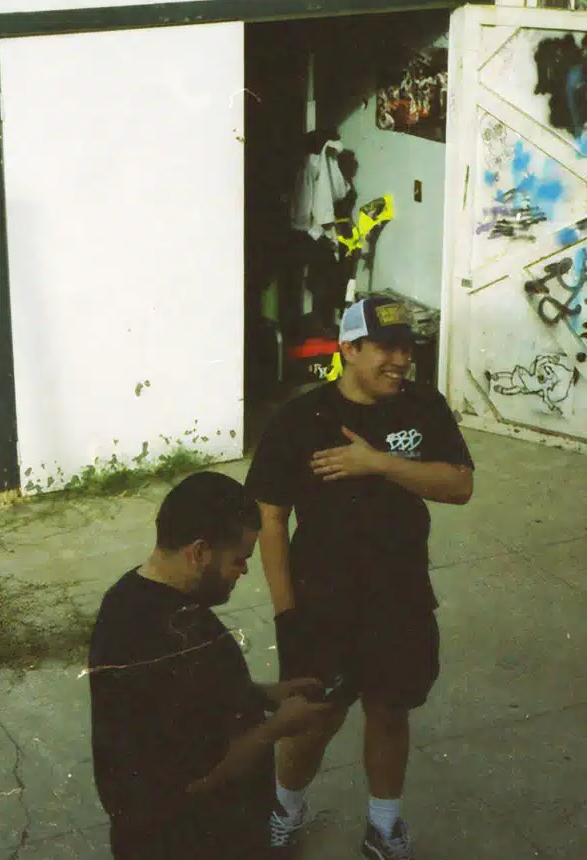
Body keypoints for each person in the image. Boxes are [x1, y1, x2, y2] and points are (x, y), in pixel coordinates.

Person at [245, 295, 475, 859]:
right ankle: (284, 809)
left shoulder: (423, 406)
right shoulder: (300, 419)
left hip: (401, 594)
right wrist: (286, 613)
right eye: (386, 348)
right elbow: (270, 518)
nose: (401, 361)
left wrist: (380, 463)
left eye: (407, 349)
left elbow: (460, 485)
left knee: (390, 710)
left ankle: (383, 825)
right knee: (315, 719)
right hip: (323, 600)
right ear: (348, 349)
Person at [87, 471, 333, 859]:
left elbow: (197, 699)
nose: (245, 570)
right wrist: (277, 728)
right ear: (199, 552)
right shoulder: (152, 638)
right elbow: (195, 780)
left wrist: (265, 695)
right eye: (239, 559)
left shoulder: (133, 595)